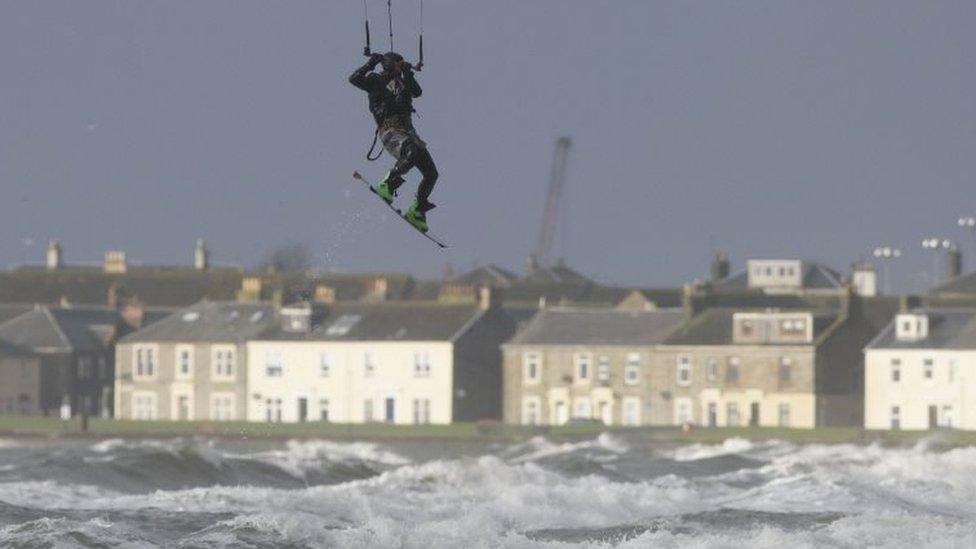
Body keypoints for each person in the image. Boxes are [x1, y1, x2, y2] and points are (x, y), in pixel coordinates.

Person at [349, 51, 439, 232]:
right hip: (390, 131)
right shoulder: (376, 80)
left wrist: (408, 72)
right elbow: (354, 79)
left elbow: (417, 92)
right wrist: (371, 63)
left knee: (431, 174)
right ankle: (387, 183)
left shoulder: (403, 82)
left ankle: (417, 211)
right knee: (411, 152)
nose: (400, 66)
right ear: (388, 64)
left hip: (409, 133)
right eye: (397, 63)